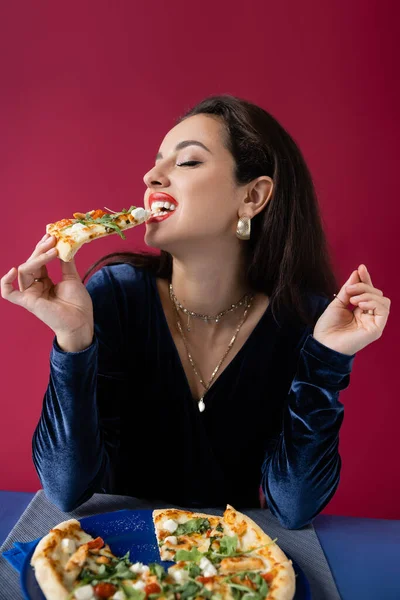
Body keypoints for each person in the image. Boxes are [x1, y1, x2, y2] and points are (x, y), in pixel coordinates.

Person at [1, 95, 390, 529]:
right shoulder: (116, 296)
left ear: (253, 196)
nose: (151, 176)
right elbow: (64, 489)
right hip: (113, 561)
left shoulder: (302, 320)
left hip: (231, 568)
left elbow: (295, 507)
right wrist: (73, 342)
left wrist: (327, 359)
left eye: (186, 162)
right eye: (156, 162)